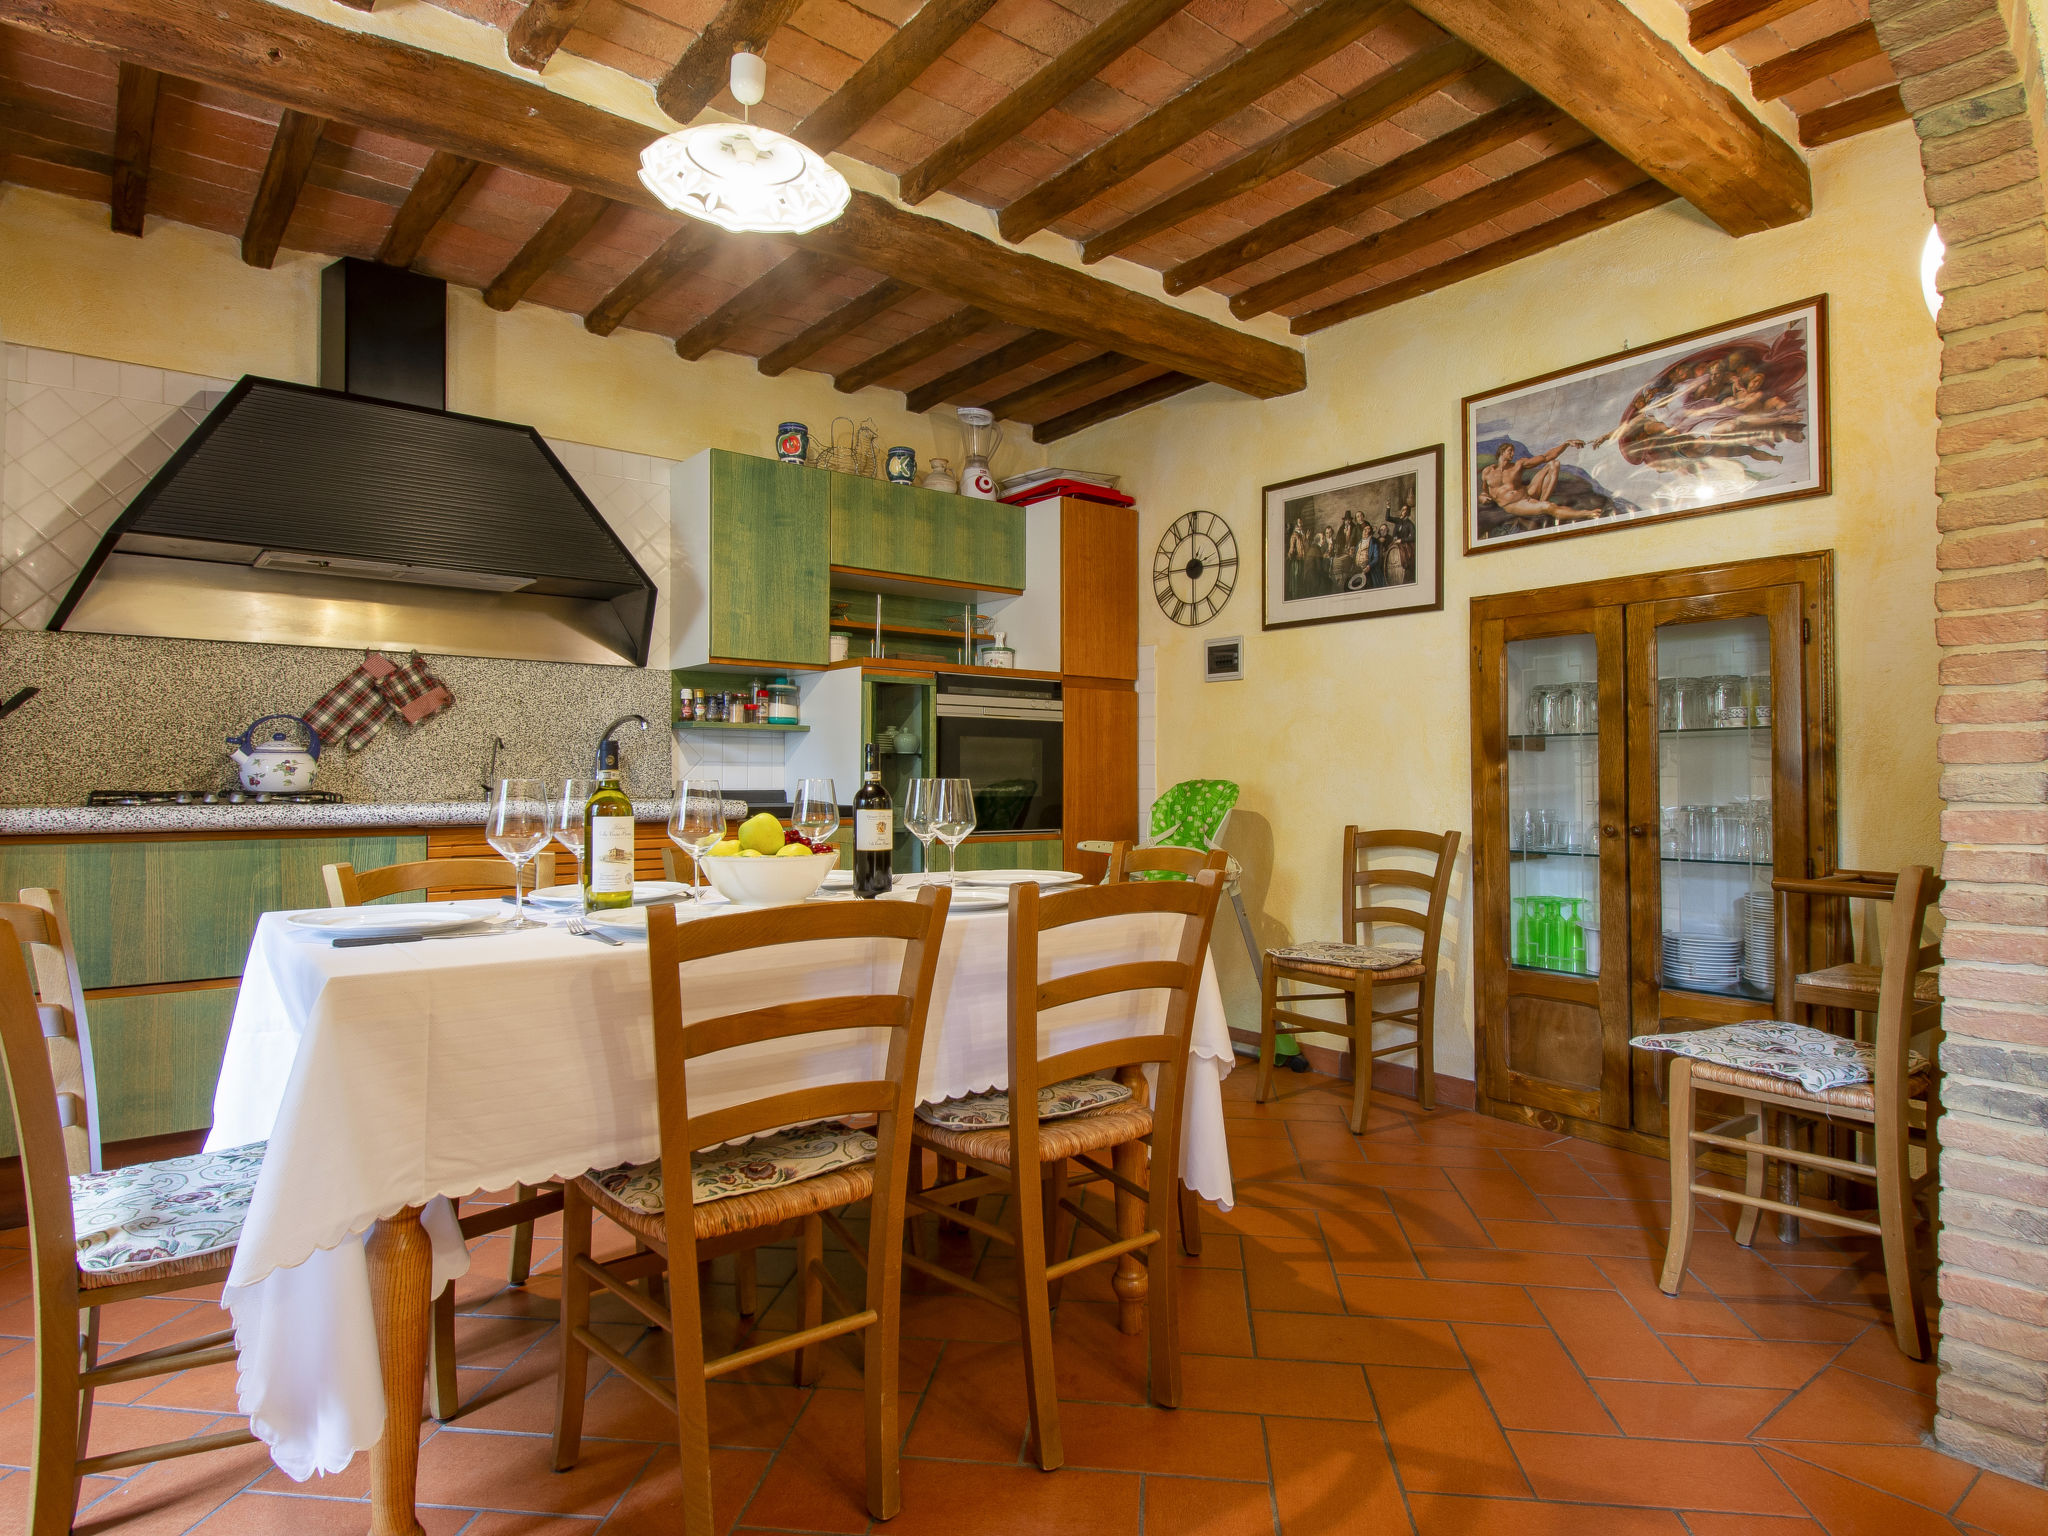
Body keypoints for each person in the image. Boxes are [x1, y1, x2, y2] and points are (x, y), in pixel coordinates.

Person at [1479, 439, 1602, 525]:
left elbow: (1546, 457)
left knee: (1553, 464)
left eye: (1513, 451)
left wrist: (1566, 444)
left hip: (1527, 493)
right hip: (1514, 504)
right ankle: (1586, 513)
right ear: (1502, 452)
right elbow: (1484, 492)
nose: (1513, 454)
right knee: (1549, 507)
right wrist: (1483, 498)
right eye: (1510, 451)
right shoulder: (1488, 471)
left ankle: (1543, 501)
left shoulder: (1518, 465)